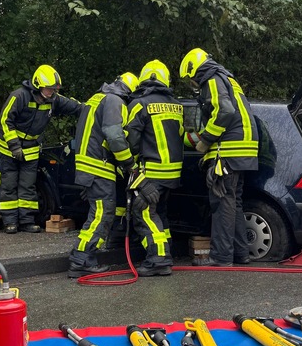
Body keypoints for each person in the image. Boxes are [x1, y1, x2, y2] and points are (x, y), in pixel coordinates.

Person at [179, 48, 258, 266]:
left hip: (228, 151)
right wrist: (193, 137)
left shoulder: (211, 80)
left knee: (222, 203)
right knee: (234, 203)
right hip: (245, 149)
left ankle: (221, 257)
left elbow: (225, 111)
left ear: (194, 69)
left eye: (191, 79)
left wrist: (205, 140)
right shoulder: (228, 79)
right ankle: (241, 253)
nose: (193, 84)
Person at [67, 72, 138, 277]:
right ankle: (81, 258)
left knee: (100, 212)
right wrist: (129, 163)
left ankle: (82, 255)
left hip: (89, 165)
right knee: (102, 214)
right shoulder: (115, 101)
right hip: (98, 166)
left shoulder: (97, 98)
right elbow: (114, 137)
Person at [0, 65, 82, 233]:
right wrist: (14, 146)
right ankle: (10, 222)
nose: (51, 92)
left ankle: (27, 221)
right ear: (37, 85)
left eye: (53, 89)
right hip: (8, 150)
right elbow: (5, 121)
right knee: (9, 186)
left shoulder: (53, 99)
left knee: (28, 186)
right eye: (49, 89)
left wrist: (93, 108)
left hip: (31, 150)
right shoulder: (19, 96)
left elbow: (75, 107)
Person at [125, 60, 184, 277]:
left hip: (150, 173)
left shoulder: (139, 104)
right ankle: (164, 250)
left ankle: (159, 259)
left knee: (144, 214)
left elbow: (130, 139)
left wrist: (128, 163)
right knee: (159, 213)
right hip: (172, 173)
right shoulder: (176, 105)